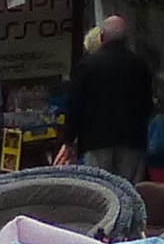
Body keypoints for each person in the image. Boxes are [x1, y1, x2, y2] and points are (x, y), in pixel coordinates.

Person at [60, 17, 157, 183]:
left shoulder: (88, 65)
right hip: (132, 140)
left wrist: (69, 138)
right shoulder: (140, 65)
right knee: (130, 189)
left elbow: (75, 104)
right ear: (125, 38)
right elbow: (147, 104)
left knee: (102, 188)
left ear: (102, 36)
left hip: (96, 140)